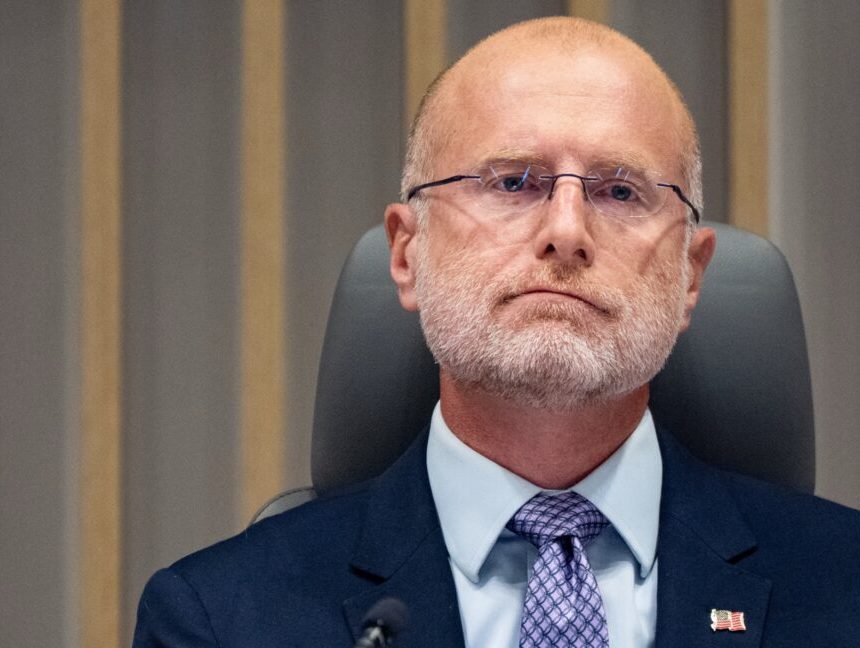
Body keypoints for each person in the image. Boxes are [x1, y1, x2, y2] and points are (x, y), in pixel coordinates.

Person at [133, 17, 860, 647]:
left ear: (690, 276)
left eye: (619, 191)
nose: (567, 231)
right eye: (513, 181)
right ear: (406, 253)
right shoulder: (222, 618)